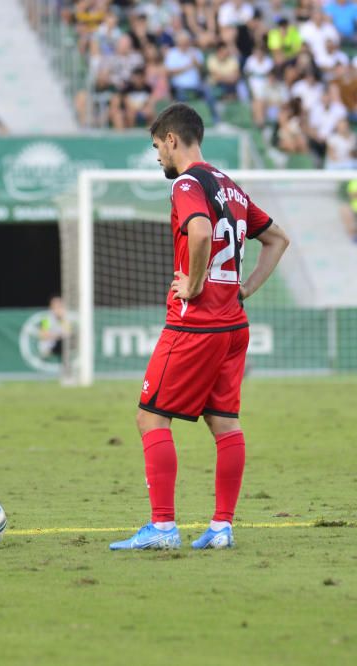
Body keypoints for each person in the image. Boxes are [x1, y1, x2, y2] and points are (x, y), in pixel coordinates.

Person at [109, 103, 290, 551]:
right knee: (225, 423)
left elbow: (201, 232)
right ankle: (221, 528)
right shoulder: (230, 186)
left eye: (157, 147)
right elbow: (277, 239)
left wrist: (191, 284)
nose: (157, 158)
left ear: (172, 139)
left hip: (197, 326)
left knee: (150, 416)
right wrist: (244, 289)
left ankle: (163, 527)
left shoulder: (188, 184)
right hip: (234, 324)